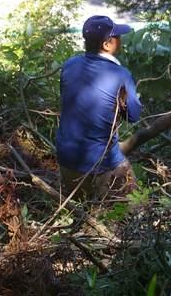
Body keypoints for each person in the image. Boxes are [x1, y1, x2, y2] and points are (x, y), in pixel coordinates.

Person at [56, 15, 142, 201]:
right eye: (117, 37)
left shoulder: (69, 65)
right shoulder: (121, 74)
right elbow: (133, 115)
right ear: (106, 45)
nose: (120, 40)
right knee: (135, 212)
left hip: (66, 157)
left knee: (84, 211)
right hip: (102, 160)